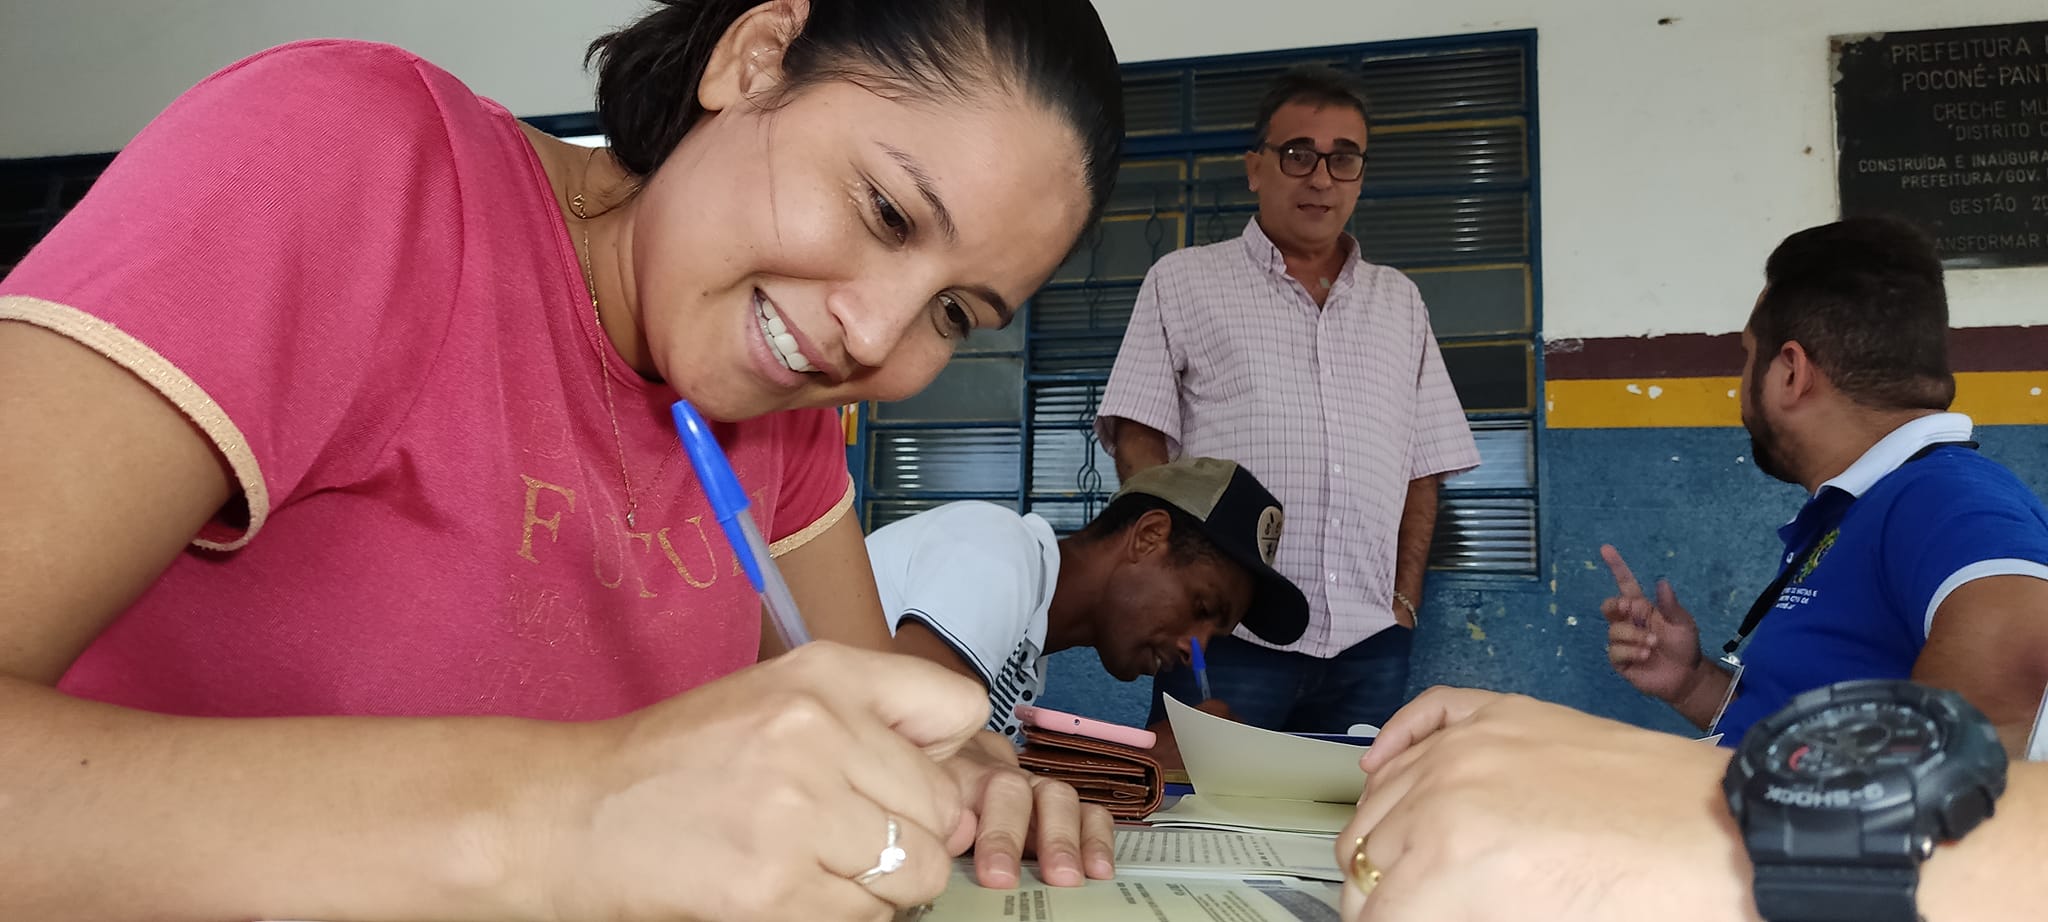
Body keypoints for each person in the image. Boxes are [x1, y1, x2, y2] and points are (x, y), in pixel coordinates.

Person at [0, 0, 1127, 918]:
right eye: (884, 211)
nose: (874, 337)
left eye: (954, 314)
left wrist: (966, 772)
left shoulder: (774, 414)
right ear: (755, 57)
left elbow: (888, 729)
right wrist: (572, 816)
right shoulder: (349, 159)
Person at [1094, 65, 1479, 740]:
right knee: (1199, 821)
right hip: (1227, 637)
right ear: (1255, 168)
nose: (1321, 177)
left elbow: (1425, 467)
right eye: (1298, 153)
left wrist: (1403, 604)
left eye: (1344, 158)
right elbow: (1138, 435)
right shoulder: (1184, 281)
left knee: (1349, 825)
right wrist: (1178, 590)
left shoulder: (1400, 302)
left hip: (1370, 643)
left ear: (1360, 175)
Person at [1600, 216, 2048, 748]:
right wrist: (1691, 683)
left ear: (1791, 371)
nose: (1741, 384)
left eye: (1748, 356)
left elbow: (1985, 748)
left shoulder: (1950, 504)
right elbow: (1801, 737)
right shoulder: (1862, 507)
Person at [1336, 686, 2048, 921]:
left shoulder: (1945, 501)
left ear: (1790, 371)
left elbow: (1981, 717)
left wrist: (1718, 825)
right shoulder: (1819, 527)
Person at [868, 457, 1310, 760]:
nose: (1193, 646)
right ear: (1149, 536)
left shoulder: (1026, 647)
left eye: (1214, 636)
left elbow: (975, 770)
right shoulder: (995, 548)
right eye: (1201, 606)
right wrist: (1143, 756)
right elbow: (908, 744)